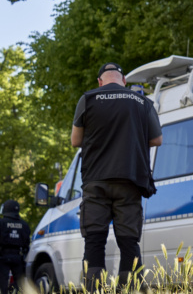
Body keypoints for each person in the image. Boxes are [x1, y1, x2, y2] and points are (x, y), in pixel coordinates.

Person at [71, 62, 163, 289]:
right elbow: (157, 139)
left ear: (100, 82)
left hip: (96, 182)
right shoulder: (142, 102)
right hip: (130, 180)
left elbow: (75, 141)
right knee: (129, 242)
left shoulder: (88, 99)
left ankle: (94, 290)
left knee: (94, 240)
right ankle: (130, 290)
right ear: (123, 81)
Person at [0, 200, 30, 294]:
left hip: (2, 256)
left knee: (2, 282)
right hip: (18, 257)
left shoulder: (1, 223)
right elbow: (27, 243)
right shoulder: (24, 224)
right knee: (19, 283)